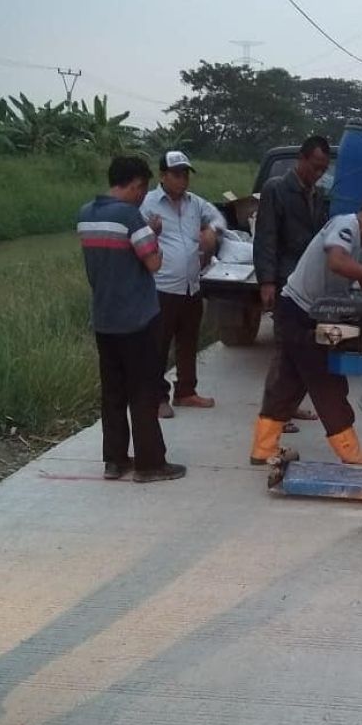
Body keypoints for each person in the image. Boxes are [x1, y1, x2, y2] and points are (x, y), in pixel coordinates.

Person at [249, 192, 362, 466]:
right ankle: (351, 453)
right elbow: (337, 261)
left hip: (305, 311)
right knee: (326, 382)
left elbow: (359, 278)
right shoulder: (345, 226)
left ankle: (263, 448)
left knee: (288, 381)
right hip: (301, 312)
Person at [77, 156, 186, 483]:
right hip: (137, 319)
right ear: (137, 184)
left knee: (112, 392)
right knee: (143, 390)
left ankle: (114, 460)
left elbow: (112, 258)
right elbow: (153, 262)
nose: (143, 195)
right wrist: (152, 233)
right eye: (143, 188)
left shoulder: (85, 215)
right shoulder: (129, 216)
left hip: (104, 318)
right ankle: (150, 464)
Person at [140, 150, 227, 418]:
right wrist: (150, 233)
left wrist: (212, 231)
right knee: (159, 344)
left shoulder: (195, 203)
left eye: (186, 174)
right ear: (163, 176)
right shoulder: (148, 203)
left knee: (188, 341)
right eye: (176, 175)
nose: (182, 180)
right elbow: (135, 236)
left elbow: (219, 218)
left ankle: (186, 391)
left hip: (191, 285)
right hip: (162, 287)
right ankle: (157, 398)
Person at [254, 134, 332, 430]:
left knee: (300, 349)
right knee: (283, 349)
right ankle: (272, 412)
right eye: (315, 166)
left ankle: (289, 406)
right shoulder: (276, 190)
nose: (319, 173)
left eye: (324, 168)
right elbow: (266, 238)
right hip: (285, 280)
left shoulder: (317, 194)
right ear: (301, 159)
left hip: (308, 282)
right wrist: (267, 281)